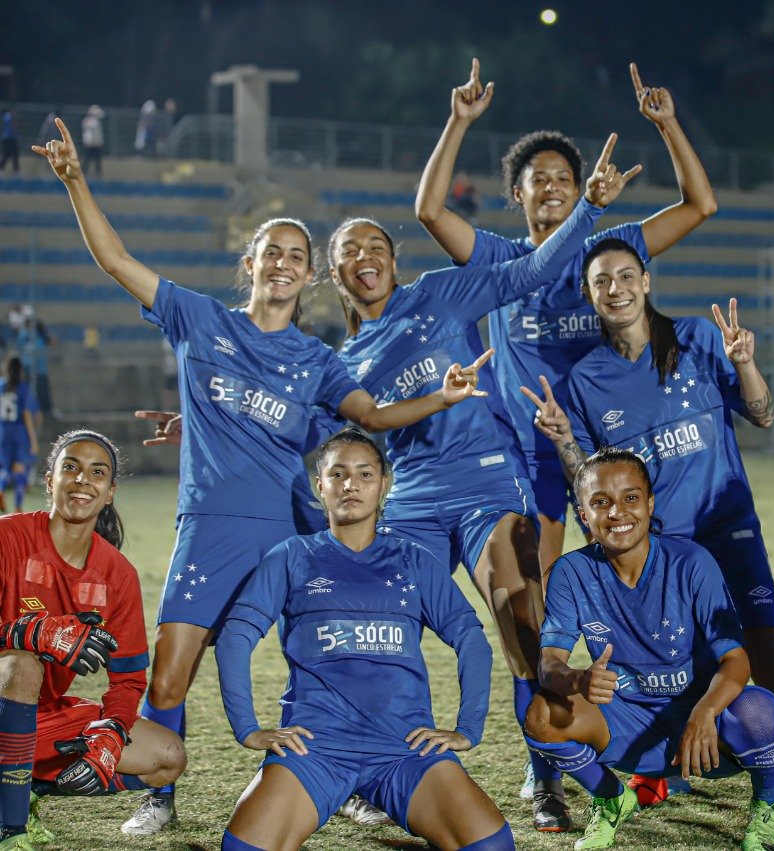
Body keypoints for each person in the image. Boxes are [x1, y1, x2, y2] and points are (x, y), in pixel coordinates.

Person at [34, 116, 493, 836]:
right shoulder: (199, 320)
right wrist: (75, 180)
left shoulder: (316, 358)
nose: (282, 262)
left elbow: (368, 414)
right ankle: (159, 795)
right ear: (249, 263)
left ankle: (350, 774)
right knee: (169, 675)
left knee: (337, 650)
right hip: (212, 526)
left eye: (296, 254)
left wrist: (443, 394)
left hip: (292, 527)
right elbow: (119, 259)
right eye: (270, 251)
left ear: (310, 275)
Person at [328, 133, 636, 833]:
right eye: (351, 254)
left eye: (376, 247)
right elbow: (313, 431)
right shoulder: (342, 361)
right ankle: (360, 767)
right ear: (337, 277)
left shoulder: (441, 293)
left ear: (393, 259)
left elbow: (530, 271)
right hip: (410, 501)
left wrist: (586, 210)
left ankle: (552, 776)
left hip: (489, 485)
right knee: (370, 629)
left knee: (523, 622)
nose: (367, 259)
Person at [525, 239, 774, 833]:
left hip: (726, 526)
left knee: (761, 652)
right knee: (665, 656)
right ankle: (658, 762)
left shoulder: (697, 338)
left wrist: (743, 363)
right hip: (658, 546)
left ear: (646, 281)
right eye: (602, 280)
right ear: (589, 294)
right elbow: (590, 479)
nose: (615, 288)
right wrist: (561, 436)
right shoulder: (584, 379)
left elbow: (763, 415)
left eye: (625, 275)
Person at [416, 59, 717, 580]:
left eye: (564, 179)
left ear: (582, 192)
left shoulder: (606, 253)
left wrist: (667, 123)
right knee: (539, 581)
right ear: (518, 193)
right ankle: (537, 668)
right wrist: (459, 122)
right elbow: (430, 212)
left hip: (612, 437)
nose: (552, 187)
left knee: (640, 575)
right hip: (533, 446)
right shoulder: (498, 261)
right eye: (539, 180)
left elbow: (700, 206)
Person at [215, 430, 510, 851]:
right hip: (317, 749)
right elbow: (235, 636)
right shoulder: (292, 556)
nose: (350, 485)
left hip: (403, 748)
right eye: (338, 474)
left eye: (364, 474)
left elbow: (471, 639)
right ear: (320, 486)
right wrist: (247, 728)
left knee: (490, 846)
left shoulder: (413, 559)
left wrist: (468, 729)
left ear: (383, 484)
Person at [525, 447, 774, 851]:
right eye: (600, 502)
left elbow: (735, 659)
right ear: (583, 514)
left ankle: (769, 805)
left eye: (631, 498)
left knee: (761, 711)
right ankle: (611, 796)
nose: (617, 512)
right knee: (544, 713)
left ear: (649, 503)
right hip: (627, 720)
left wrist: (705, 711)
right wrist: (577, 679)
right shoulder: (570, 572)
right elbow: (548, 663)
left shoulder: (692, 562)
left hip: (699, 726)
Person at [0, 430, 186, 850]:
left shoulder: (117, 573)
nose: (83, 479)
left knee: (166, 755)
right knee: (22, 663)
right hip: (5, 694)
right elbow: (19, 656)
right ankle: (8, 831)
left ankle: (21, 789)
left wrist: (113, 730)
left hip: (36, 717)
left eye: (97, 472)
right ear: (50, 480)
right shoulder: (8, 537)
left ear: (109, 493)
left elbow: (128, 678)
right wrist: (25, 631)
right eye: (71, 467)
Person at [0, 356, 38, 514]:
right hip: (19, 433)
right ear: (20, 370)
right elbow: (27, 414)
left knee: (5, 468)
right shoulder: (23, 388)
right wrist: (33, 440)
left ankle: (0, 488)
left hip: (2, 433)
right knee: (20, 469)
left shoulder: (1, 385)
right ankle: (17, 506)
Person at [80, 106, 104, 178]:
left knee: (89, 159)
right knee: (92, 159)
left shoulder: (87, 121)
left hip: (91, 143)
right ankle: (96, 173)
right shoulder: (93, 122)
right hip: (93, 144)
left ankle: (86, 172)